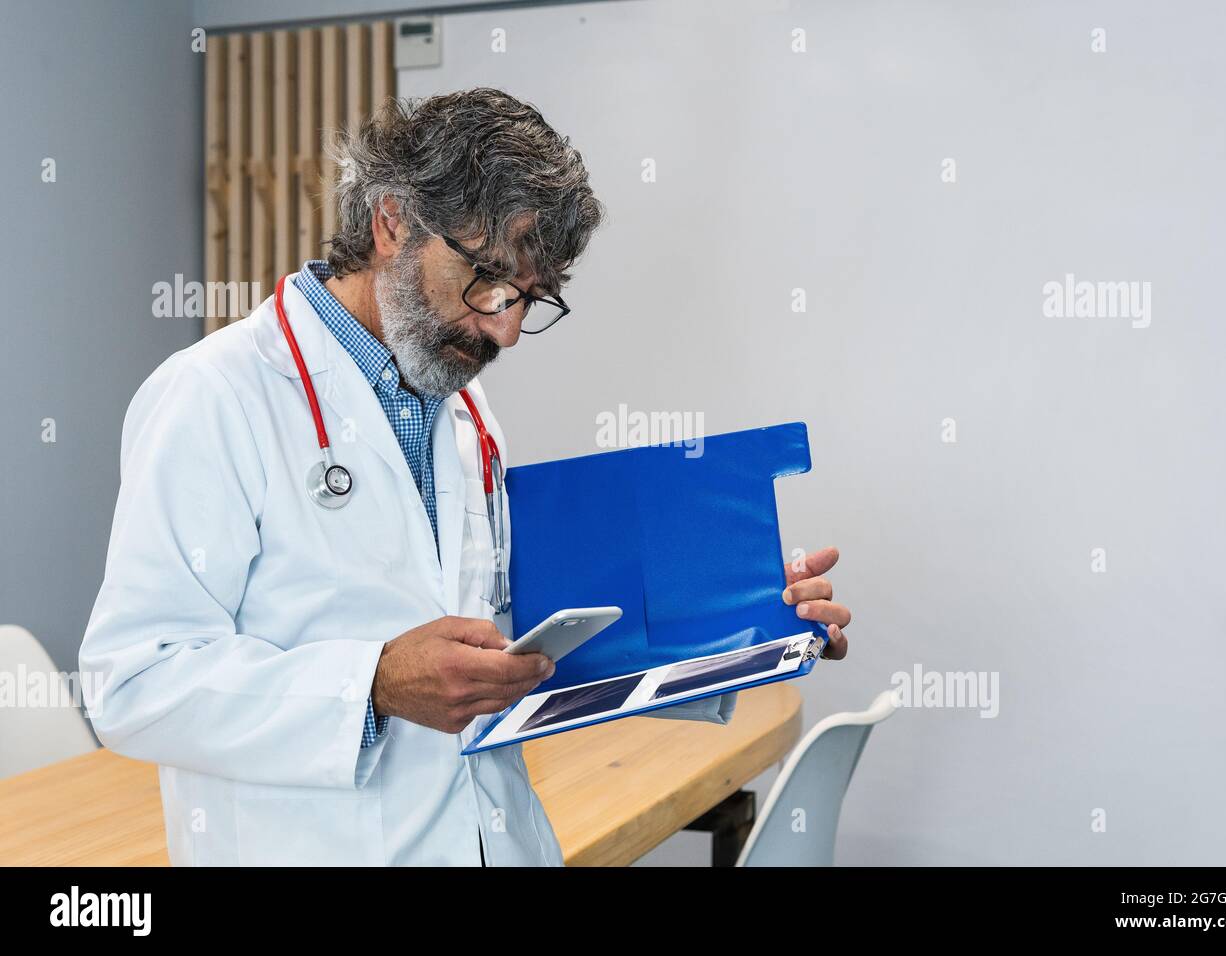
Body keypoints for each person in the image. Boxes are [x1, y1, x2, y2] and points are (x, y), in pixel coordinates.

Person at [79, 88, 852, 865]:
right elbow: (134, 681)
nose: (506, 328)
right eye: (485, 279)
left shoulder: (464, 408)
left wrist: (740, 612)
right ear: (391, 223)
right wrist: (373, 684)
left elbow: (518, 641)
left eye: (529, 297)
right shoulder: (217, 395)